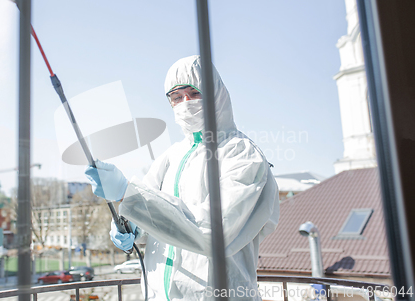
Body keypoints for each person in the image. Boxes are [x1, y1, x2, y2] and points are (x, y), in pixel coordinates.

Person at [85, 55, 279, 300]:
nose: (185, 103)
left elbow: (212, 232)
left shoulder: (240, 153)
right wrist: (132, 225)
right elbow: (155, 212)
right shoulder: (173, 155)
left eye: (194, 93)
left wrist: (128, 195)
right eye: (176, 97)